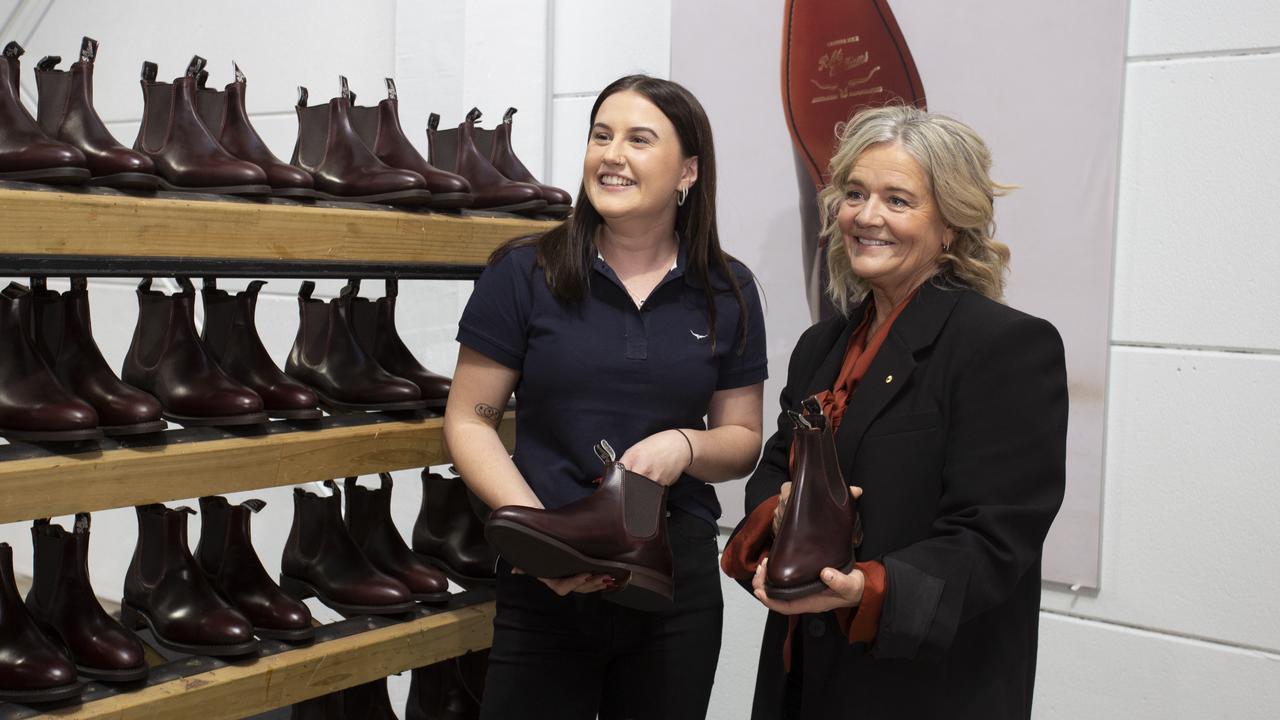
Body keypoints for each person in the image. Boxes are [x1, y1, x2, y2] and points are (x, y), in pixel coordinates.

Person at [722, 105, 1067, 719]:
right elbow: (773, 472)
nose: (867, 216)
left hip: (927, 688)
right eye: (854, 194)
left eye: (898, 200)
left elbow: (994, 536)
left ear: (952, 226)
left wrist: (867, 590)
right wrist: (783, 523)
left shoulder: (1005, 346)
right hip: (804, 680)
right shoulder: (820, 346)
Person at [443, 75, 767, 720]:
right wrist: (540, 538)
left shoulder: (727, 289)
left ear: (688, 171)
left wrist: (685, 444)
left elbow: (741, 442)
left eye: (639, 140)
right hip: (545, 583)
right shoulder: (524, 271)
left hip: (671, 581)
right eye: (601, 135)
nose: (611, 155)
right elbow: (469, 419)